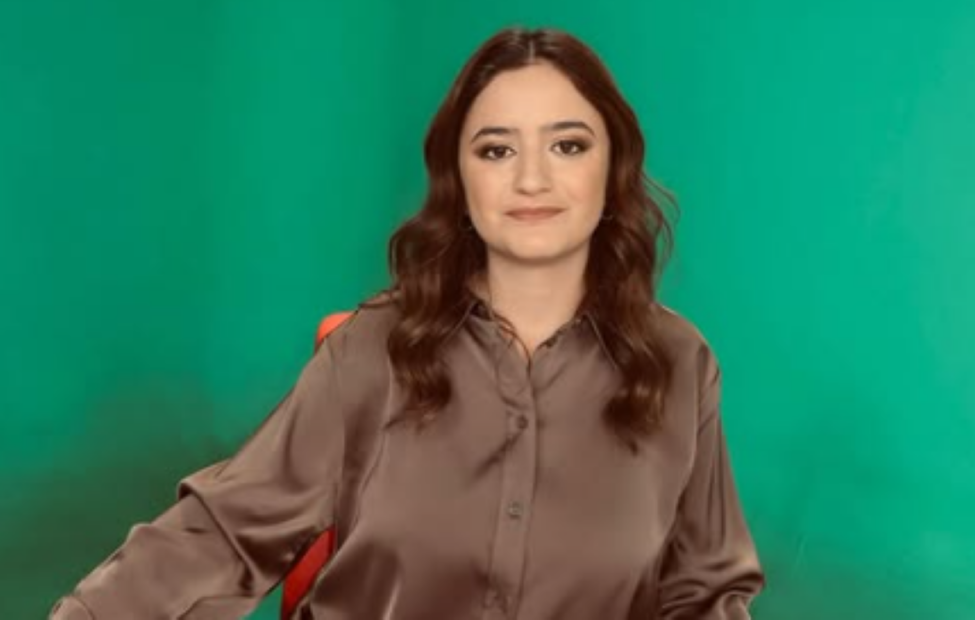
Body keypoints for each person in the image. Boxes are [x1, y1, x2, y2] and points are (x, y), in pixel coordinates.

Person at [51, 25, 764, 620]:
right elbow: (226, 534)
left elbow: (706, 592)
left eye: (568, 145)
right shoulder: (370, 351)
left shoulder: (679, 363)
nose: (532, 179)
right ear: (459, 178)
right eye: (497, 149)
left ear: (613, 168)